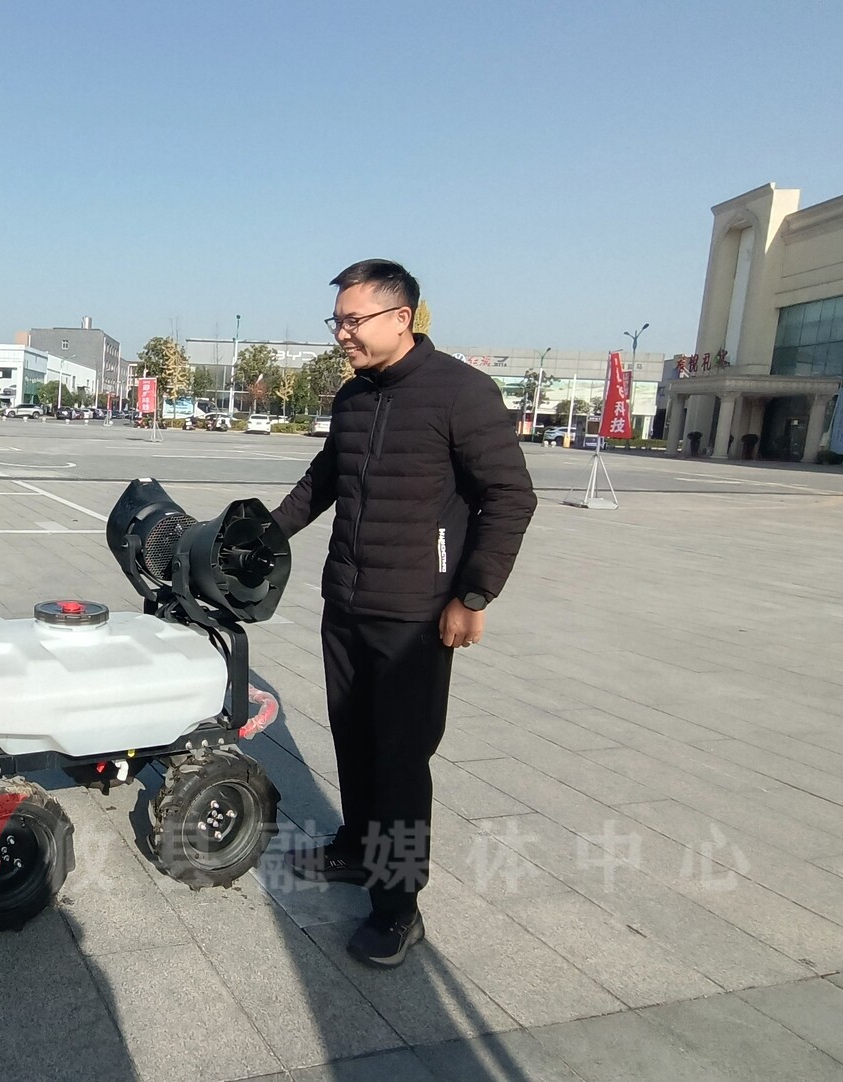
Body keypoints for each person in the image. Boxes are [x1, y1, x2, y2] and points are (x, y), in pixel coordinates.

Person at [271, 259, 536, 968]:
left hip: (416, 613)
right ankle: (358, 849)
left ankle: (398, 908)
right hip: (346, 602)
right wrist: (264, 533)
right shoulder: (356, 395)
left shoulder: (461, 392)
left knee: (399, 759)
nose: (342, 334)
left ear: (401, 317)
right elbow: (324, 479)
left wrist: (472, 595)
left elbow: (510, 496)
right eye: (337, 321)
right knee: (353, 738)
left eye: (352, 320)